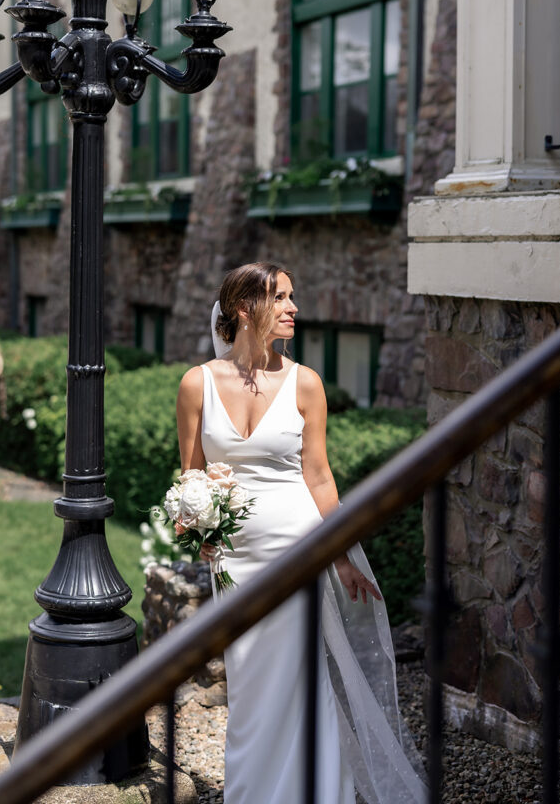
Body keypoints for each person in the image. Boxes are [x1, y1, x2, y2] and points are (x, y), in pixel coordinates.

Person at [176, 261, 426, 804]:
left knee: (302, 675)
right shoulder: (197, 384)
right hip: (235, 561)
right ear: (244, 309)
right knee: (249, 683)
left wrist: (340, 555)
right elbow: (191, 472)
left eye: (293, 297)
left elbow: (318, 475)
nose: (294, 308)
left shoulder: (306, 383)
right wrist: (195, 525)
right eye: (281, 297)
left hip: (300, 548)